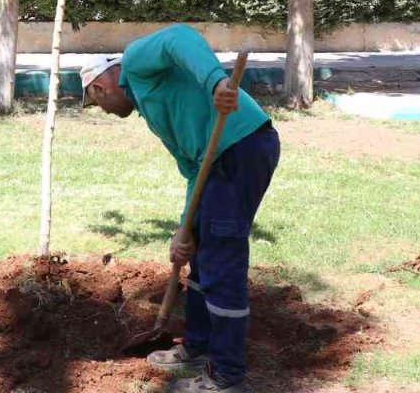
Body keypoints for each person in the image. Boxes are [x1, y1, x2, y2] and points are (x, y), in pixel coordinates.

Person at [82, 24, 280, 393]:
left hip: (239, 147)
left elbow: (179, 38)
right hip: (218, 158)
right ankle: (198, 345)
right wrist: (184, 230)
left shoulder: (135, 62)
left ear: (99, 87)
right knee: (201, 255)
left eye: (98, 105)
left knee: (222, 262)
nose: (106, 112)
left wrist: (216, 84)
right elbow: (193, 169)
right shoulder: (151, 104)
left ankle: (226, 376)